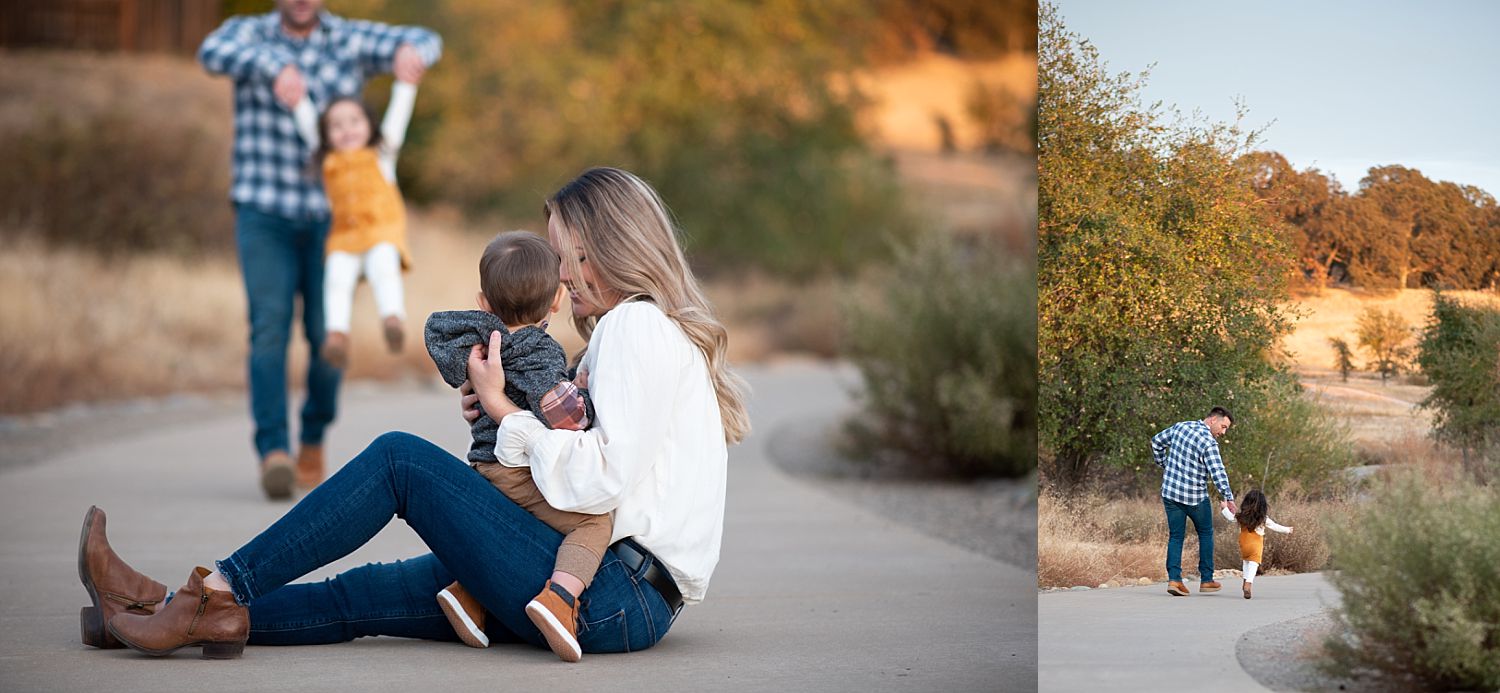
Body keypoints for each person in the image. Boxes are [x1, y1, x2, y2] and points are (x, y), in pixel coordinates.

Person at [76, 167, 750, 661]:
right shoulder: (640, 332)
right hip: (607, 590)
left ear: (601, 246)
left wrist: (499, 411)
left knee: (399, 459)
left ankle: (214, 586)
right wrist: (507, 414)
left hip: (605, 594)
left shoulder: (636, 326)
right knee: (359, 598)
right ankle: (158, 611)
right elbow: (598, 458)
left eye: (562, 256)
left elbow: (601, 479)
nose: (559, 278)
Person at [197, 0, 441, 498]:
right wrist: (274, 68)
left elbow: (424, 39)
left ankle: (311, 436)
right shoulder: (248, 35)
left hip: (336, 223)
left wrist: (410, 59)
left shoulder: (347, 39)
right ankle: (274, 452)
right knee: (268, 326)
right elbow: (210, 51)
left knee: (327, 335)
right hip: (264, 211)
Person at [423, 230, 609, 661]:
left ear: (484, 301)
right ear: (557, 301)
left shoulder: (478, 339)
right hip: (517, 471)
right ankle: (561, 598)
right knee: (594, 523)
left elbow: (439, 335)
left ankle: (469, 595)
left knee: (514, 528)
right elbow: (565, 418)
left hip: (483, 466)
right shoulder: (538, 348)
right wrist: (583, 397)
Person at [291, 81, 419, 371]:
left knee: (383, 269)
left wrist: (406, 86)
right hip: (343, 236)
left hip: (380, 231)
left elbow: (398, 118)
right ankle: (337, 334)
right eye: (336, 125)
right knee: (336, 278)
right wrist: (299, 101)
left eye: (354, 121)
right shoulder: (328, 161)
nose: (346, 129)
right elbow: (309, 125)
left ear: (370, 126)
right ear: (326, 135)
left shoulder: (382, 154)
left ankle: (392, 318)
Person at [1151, 406, 1237, 597]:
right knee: (1205, 533)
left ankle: (1174, 580)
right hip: (1195, 498)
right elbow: (1218, 473)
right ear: (1213, 419)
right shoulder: (1208, 442)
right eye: (1223, 427)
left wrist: (1164, 464)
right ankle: (1206, 580)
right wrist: (1228, 497)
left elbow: (1156, 441)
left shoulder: (1180, 427)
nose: (1223, 432)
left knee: (1176, 536)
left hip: (1171, 494)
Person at [1220, 489, 1293, 600]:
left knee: (1246, 562)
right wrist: (1287, 530)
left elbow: (1230, 517)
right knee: (1253, 564)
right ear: (1263, 506)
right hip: (1256, 544)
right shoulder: (1263, 518)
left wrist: (1224, 507)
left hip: (1244, 544)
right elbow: (1275, 526)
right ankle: (1248, 584)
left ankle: (1245, 582)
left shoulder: (1241, 517)